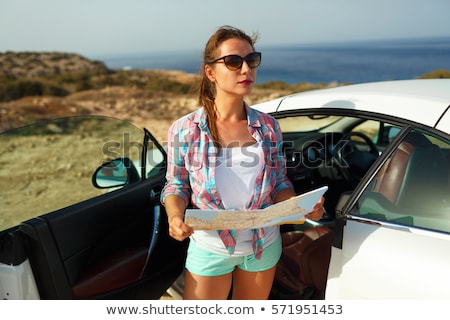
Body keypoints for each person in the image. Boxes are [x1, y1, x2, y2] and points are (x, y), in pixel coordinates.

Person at [161, 25, 324, 300]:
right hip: (210, 247)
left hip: (264, 245)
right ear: (210, 72)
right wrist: (174, 217)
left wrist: (299, 207)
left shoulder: (268, 126)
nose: (246, 70)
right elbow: (175, 186)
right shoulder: (185, 129)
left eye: (252, 60)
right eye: (234, 62)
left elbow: (280, 182)